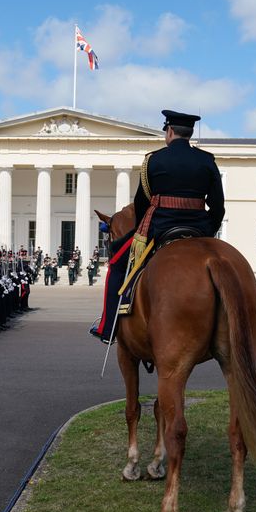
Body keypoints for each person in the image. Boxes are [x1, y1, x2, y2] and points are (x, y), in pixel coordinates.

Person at [90, 109, 224, 343]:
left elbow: (142, 204)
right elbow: (218, 205)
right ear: (190, 133)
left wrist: (145, 226)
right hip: (200, 231)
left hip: (161, 229)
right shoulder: (207, 160)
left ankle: (108, 326)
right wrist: (207, 229)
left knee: (116, 264)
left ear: (169, 131)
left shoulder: (154, 159)